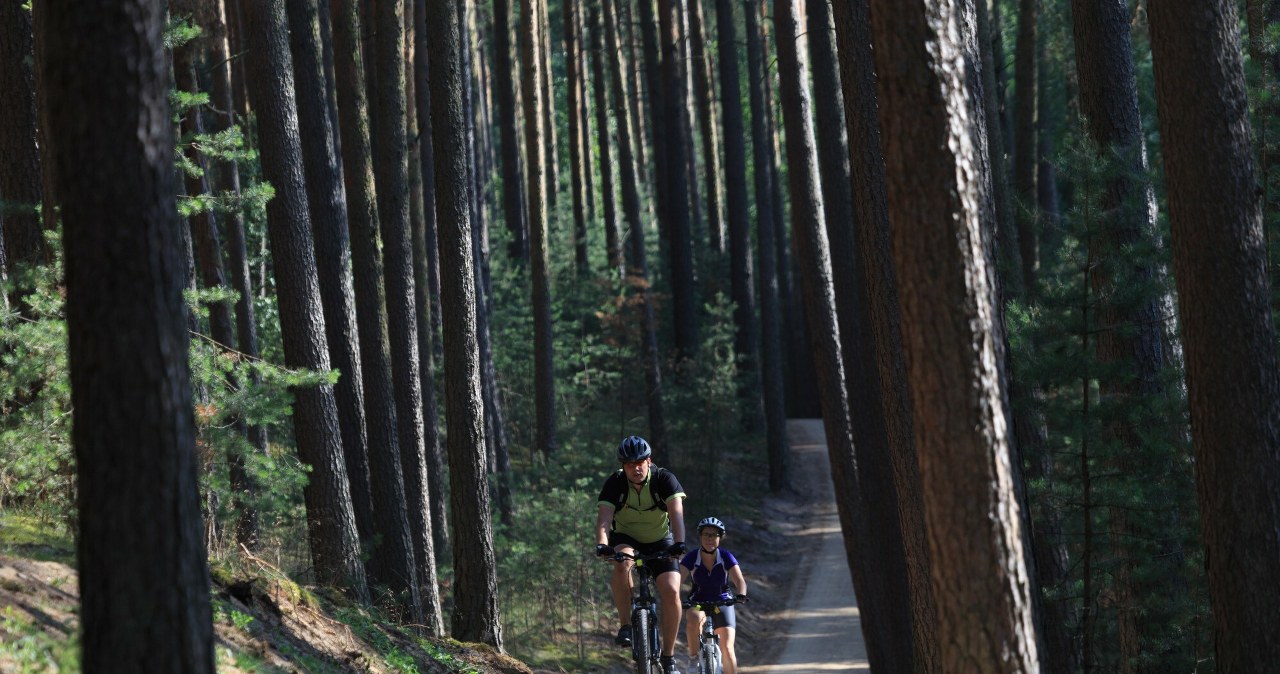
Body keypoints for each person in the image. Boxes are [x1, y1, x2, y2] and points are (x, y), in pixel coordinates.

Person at [595, 435, 688, 674]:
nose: (635, 468)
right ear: (622, 465)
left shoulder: (664, 479)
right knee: (621, 564)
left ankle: (668, 658)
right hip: (626, 538)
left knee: (671, 590)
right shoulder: (615, 483)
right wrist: (602, 545)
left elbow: (676, 514)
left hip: (661, 541)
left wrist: (679, 543)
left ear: (648, 461)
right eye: (629, 464)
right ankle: (626, 625)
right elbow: (604, 519)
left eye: (639, 463)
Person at [680, 516, 748, 674]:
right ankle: (693, 658)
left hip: (722, 602)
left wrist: (741, 595)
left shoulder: (726, 556)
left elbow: (740, 581)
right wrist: (675, 598)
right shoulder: (692, 557)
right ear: (700, 537)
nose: (709, 539)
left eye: (714, 535)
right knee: (694, 617)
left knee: (728, 650)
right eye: (706, 535)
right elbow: (677, 581)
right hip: (698, 602)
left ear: (720, 538)